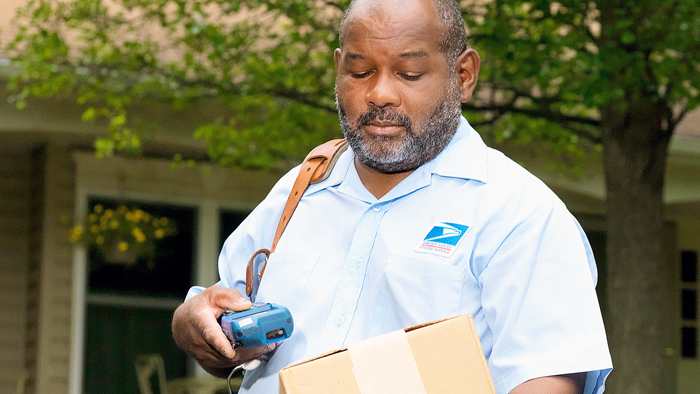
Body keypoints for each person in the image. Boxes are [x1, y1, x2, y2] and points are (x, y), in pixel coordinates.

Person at [172, 0, 613, 393]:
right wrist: (194, 324)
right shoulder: (299, 191)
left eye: (409, 73)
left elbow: (546, 380)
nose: (379, 93)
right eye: (360, 72)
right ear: (338, 69)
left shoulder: (521, 213)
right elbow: (218, 313)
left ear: (464, 75)